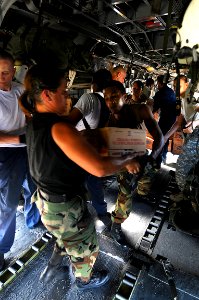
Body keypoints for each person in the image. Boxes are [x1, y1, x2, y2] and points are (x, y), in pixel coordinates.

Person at [19, 64, 143, 290]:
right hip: (65, 207)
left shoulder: (33, 120)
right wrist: (126, 161)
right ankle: (84, 280)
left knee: (64, 236)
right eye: (64, 92)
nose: (68, 98)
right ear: (47, 95)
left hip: (46, 203)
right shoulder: (58, 127)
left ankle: (56, 262)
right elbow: (99, 169)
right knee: (87, 246)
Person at [103, 80, 164, 246]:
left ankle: (143, 193)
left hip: (141, 154)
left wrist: (151, 158)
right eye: (107, 97)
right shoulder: (108, 120)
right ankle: (116, 223)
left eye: (114, 96)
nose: (110, 101)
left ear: (125, 96)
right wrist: (127, 162)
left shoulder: (140, 110)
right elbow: (106, 151)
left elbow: (159, 137)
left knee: (150, 173)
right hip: (122, 160)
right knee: (125, 192)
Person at [0, 49, 40, 271]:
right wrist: (20, 137)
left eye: (5, 73)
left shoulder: (20, 90)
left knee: (33, 187)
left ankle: (34, 221)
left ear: (13, 71)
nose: (1, 78)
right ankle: (1, 250)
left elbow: (30, 115)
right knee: (7, 203)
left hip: (25, 149)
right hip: (4, 153)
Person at [68, 69, 112, 227]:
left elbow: (69, 123)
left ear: (93, 83)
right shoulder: (108, 101)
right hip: (97, 147)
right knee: (95, 181)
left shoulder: (88, 98)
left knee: (75, 183)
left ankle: (79, 215)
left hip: (81, 147)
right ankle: (102, 212)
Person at [153, 74, 177, 167]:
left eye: (158, 84)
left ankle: (157, 161)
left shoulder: (159, 93)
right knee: (165, 138)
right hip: (173, 119)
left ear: (160, 83)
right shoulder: (171, 91)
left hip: (165, 118)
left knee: (159, 138)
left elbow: (155, 108)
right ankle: (163, 156)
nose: (157, 86)